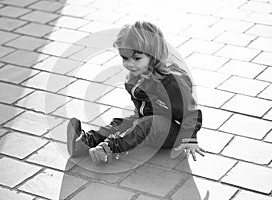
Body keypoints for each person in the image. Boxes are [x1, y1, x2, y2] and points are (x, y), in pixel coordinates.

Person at [67, 21, 205, 165]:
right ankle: (85, 142)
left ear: (154, 55)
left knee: (147, 125)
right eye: (125, 58)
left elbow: (190, 112)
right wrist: (131, 123)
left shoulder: (172, 81)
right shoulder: (137, 74)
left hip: (172, 132)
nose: (130, 64)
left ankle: (110, 148)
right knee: (121, 122)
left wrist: (190, 138)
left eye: (137, 58)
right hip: (148, 119)